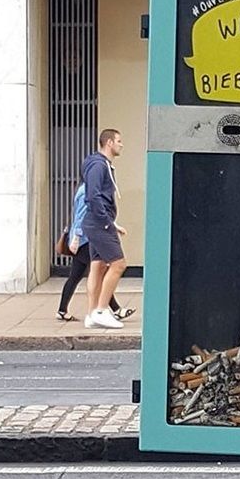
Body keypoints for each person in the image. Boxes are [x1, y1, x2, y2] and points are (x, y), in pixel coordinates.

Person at [55, 181, 136, 323]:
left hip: (83, 239)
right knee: (100, 273)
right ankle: (116, 309)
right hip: (85, 240)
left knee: (76, 276)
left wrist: (113, 226)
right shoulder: (87, 191)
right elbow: (81, 215)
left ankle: (62, 310)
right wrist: (77, 237)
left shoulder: (84, 189)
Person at [81, 129, 129, 329]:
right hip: (99, 223)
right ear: (108, 142)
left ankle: (92, 314)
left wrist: (112, 222)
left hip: (97, 222)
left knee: (98, 266)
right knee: (119, 264)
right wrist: (108, 222)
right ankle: (101, 310)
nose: (121, 144)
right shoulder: (99, 166)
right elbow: (93, 196)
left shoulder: (99, 165)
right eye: (119, 141)